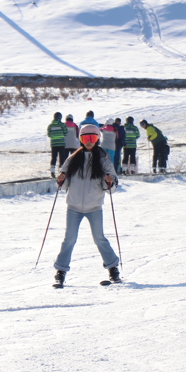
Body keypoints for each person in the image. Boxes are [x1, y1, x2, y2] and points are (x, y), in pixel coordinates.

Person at [53, 124, 120, 288]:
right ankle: (60, 272)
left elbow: (112, 184)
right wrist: (61, 179)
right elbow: (64, 182)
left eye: (93, 138)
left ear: (97, 139)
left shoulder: (103, 158)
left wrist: (109, 182)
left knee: (99, 238)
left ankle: (113, 268)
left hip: (94, 206)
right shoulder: (73, 158)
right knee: (69, 238)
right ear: (80, 139)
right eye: (85, 138)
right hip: (74, 205)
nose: (89, 141)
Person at [46, 111, 68, 176]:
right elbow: (65, 133)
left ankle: (52, 172)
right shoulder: (62, 125)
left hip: (53, 144)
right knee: (62, 158)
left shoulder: (50, 126)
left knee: (53, 157)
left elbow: (49, 134)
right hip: (61, 143)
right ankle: (61, 172)